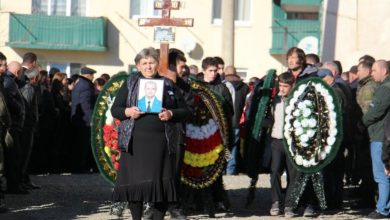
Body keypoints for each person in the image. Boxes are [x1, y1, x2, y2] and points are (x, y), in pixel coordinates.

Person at [111, 47, 190, 220]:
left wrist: (171, 113)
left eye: (152, 63)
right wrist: (128, 112)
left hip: (161, 142)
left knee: (161, 186)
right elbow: (115, 110)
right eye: (144, 63)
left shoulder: (168, 84)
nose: (148, 67)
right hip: (134, 142)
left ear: (157, 65)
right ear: (138, 66)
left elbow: (185, 111)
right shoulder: (130, 83)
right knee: (134, 186)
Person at [362, 60, 390, 219]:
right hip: (383, 135)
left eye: (373, 70)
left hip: (380, 136)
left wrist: (362, 122)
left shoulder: (385, 89)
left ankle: (382, 209)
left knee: (382, 175)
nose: (371, 73)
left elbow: (375, 111)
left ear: (384, 71)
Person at [269, 72, 296, 216]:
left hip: (292, 142)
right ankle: (275, 201)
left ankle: (289, 205)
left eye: (285, 86)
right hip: (277, 140)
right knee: (275, 171)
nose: (282, 89)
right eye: (280, 85)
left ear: (292, 86)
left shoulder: (297, 101)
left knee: (293, 173)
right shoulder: (275, 100)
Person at [71, 66, 97, 173]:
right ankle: (80, 167)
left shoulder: (80, 84)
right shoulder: (86, 86)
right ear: (88, 75)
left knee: (79, 145)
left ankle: (79, 166)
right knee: (82, 146)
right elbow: (86, 105)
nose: (93, 77)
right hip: (84, 121)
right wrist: (91, 119)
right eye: (92, 75)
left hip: (78, 120)